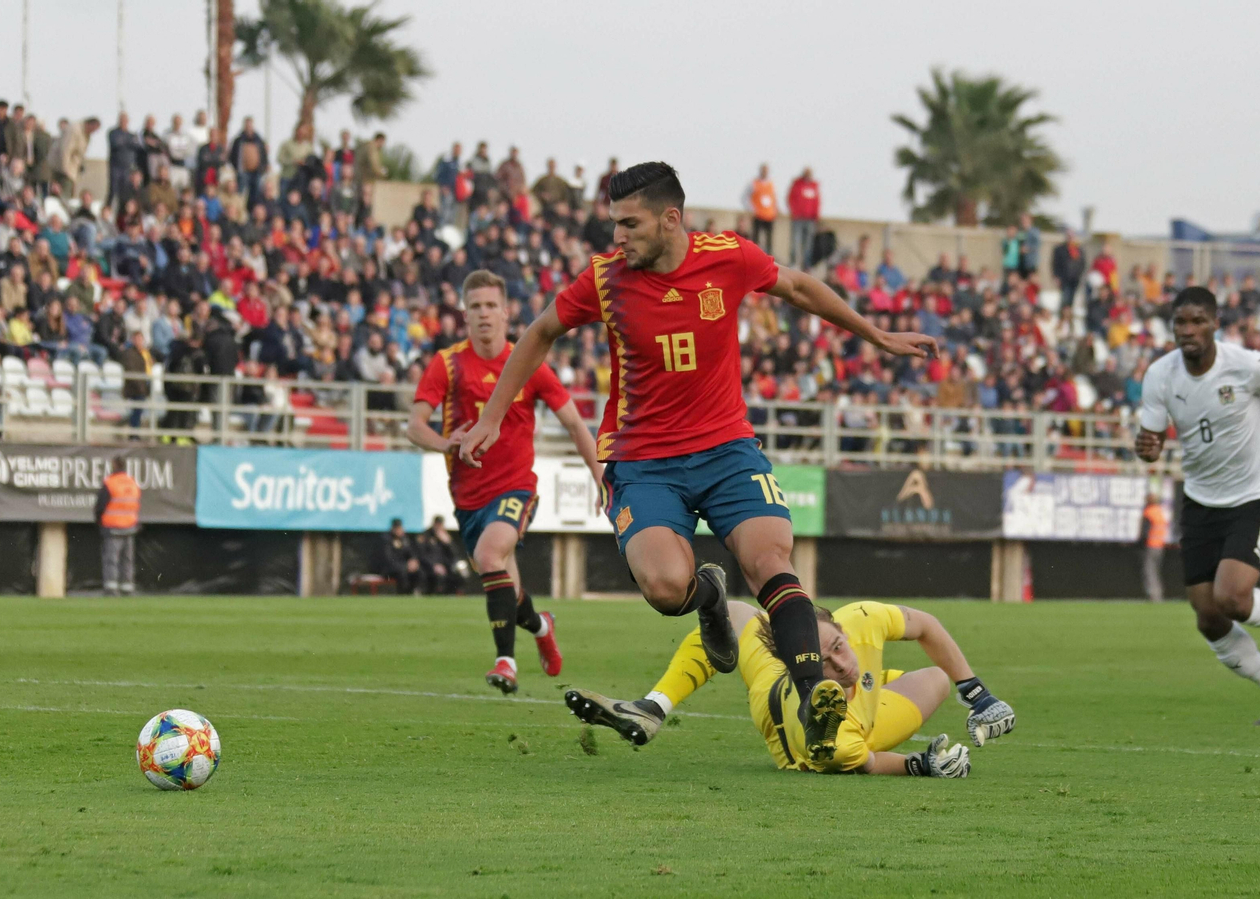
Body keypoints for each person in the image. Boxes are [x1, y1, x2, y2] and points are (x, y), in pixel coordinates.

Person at [459, 162, 937, 762]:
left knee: (770, 560)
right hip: (644, 459)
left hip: (727, 449)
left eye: (629, 224)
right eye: (613, 224)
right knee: (664, 588)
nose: (618, 237)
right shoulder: (606, 280)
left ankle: (816, 700)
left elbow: (797, 287)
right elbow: (540, 332)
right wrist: (492, 415)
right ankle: (710, 600)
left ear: (671, 218)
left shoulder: (729, 257)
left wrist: (879, 337)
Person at [407, 269, 603, 693]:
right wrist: (445, 444)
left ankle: (506, 661)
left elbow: (574, 423)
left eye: (491, 305)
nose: (484, 314)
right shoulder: (448, 364)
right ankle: (540, 627)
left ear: (507, 312)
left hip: (517, 487)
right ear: (464, 314)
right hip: (468, 497)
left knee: (490, 555)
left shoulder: (528, 361)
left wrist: (600, 476)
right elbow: (414, 426)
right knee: (504, 582)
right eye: (475, 306)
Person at [1135, 286, 1260, 725]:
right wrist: (1146, 448)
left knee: (1233, 598)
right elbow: (1152, 444)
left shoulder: (1248, 365)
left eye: (1198, 321)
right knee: (1208, 618)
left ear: (1216, 323)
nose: (1188, 330)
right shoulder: (1160, 375)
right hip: (1200, 501)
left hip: (1252, 497)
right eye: (1181, 322)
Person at [568, 599, 1012, 777]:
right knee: (917, 688)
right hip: (816, 725)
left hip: (858, 709)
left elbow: (925, 625)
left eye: (838, 645)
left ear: (839, 625)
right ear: (797, 667)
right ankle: (654, 705)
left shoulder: (860, 618)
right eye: (823, 662)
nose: (842, 662)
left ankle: (653, 706)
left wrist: (976, 693)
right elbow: (870, 763)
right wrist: (924, 765)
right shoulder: (830, 740)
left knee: (735, 612)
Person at [94, 456, 141, 596]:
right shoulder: (132, 482)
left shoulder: (110, 483)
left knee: (111, 559)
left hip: (113, 526)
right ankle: (128, 588)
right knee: (127, 560)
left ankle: (111, 588)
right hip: (130, 527)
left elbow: (100, 506)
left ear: (114, 465)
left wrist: (99, 521)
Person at [414, 515, 466, 595]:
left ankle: (454, 595)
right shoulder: (426, 536)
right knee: (437, 577)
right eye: (437, 524)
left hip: (445, 566)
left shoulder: (445, 537)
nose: (439, 526)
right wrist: (434, 565)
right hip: (429, 566)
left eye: (440, 524)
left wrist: (448, 543)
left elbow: (454, 554)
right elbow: (422, 555)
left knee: (461, 574)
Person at [786, 167, 820, 268]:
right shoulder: (797, 185)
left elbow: (817, 202)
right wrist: (794, 212)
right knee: (795, 242)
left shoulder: (814, 186)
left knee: (808, 244)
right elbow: (790, 198)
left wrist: (816, 216)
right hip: (798, 219)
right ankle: (793, 262)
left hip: (810, 219)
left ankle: (806, 264)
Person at [377, 518, 421, 594]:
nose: (399, 530)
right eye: (397, 528)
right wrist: (405, 566)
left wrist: (413, 561)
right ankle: (403, 594)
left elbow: (411, 553)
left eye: (400, 528)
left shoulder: (404, 539)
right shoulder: (386, 539)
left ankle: (416, 591)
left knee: (419, 571)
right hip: (389, 569)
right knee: (402, 573)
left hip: (404, 566)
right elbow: (389, 559)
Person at [1139, 492, 1169, 604]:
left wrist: (1140, 544)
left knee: (1150, 571)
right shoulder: (1160, 512)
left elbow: (1144, 532)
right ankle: (1158, 594)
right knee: (1156, 571)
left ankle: (1154, 596)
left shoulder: (1149, 512)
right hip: (1160, 546)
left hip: (1151, 545)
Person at [743, 164, 778, 254]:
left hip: (769, 215)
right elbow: (745, 197)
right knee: (756, 238)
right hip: (758, 215)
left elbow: (775, 198)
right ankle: (754, 254)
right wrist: (752, 209)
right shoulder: (754, 183)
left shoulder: (771, 184)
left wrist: (776, 210)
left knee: (769, 240)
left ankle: (769, 256)